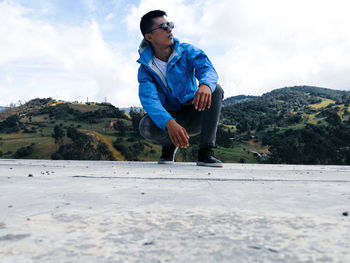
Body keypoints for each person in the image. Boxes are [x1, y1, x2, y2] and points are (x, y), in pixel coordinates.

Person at [137, 10, 224, 167]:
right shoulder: (145, 69)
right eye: (163, 27)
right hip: (170, 117)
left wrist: (205, 84)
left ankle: (206, 152)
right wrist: (169, 123)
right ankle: (169, 145)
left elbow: (207, 69)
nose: (169, 29)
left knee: (215, 89)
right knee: (145, 126)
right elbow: (150, 101)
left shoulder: (187, 51)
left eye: (169, 25)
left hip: (194, 112)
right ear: (149, 37)